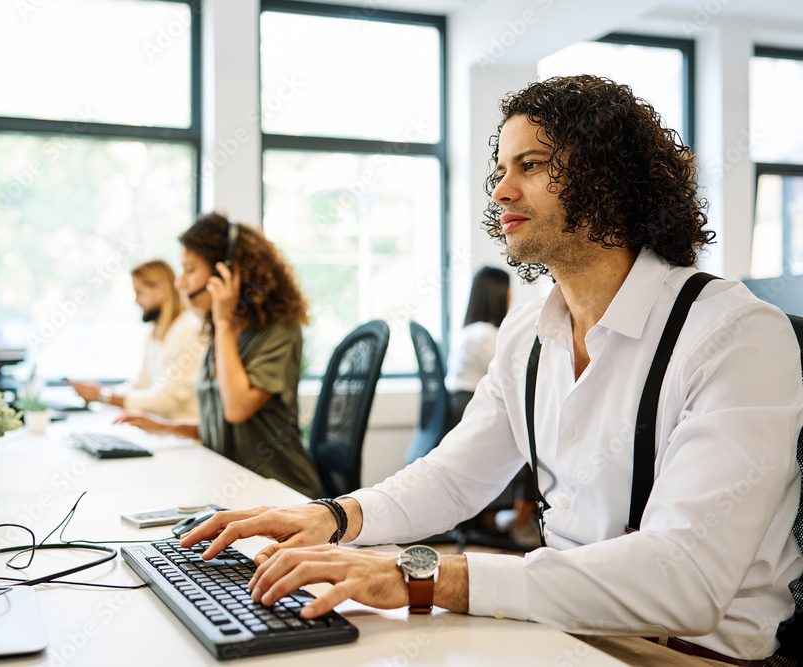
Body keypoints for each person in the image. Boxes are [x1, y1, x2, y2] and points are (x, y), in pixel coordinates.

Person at [179, 76, 803, 666]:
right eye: (500, 170)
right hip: (567, 630)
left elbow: (686, 580)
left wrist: (423, 577)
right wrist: (335, 517)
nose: (501, 191)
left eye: (530, 166)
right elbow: (455, 479)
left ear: (610, 181)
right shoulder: (528, 331)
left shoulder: (734, 334)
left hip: (685, 654)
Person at [114, 213, 321, 499]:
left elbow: (237, 409)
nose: (180, 283)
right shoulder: (222, 333)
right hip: (233, 485)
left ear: (226, 273)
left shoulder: (279, 331)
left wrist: (224, 321)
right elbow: (222, 428)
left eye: (189, 270)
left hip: (282, 494)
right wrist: (165, 428)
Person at [67, 260, 204, 420]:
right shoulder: (156, 333)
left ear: (162, 289)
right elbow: (141, 384)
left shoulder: (189, 329)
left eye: (139, 292)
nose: (136, 301)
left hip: (183, 436)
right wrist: (102, 391)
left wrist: (103, 397)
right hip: (159, 429)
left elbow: (164, 400)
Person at [445, 265, 511, 426]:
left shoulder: (470, 331)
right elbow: (508, 373)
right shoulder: (484, 335)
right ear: (499, 294)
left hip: (458, 402)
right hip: (469, 404)